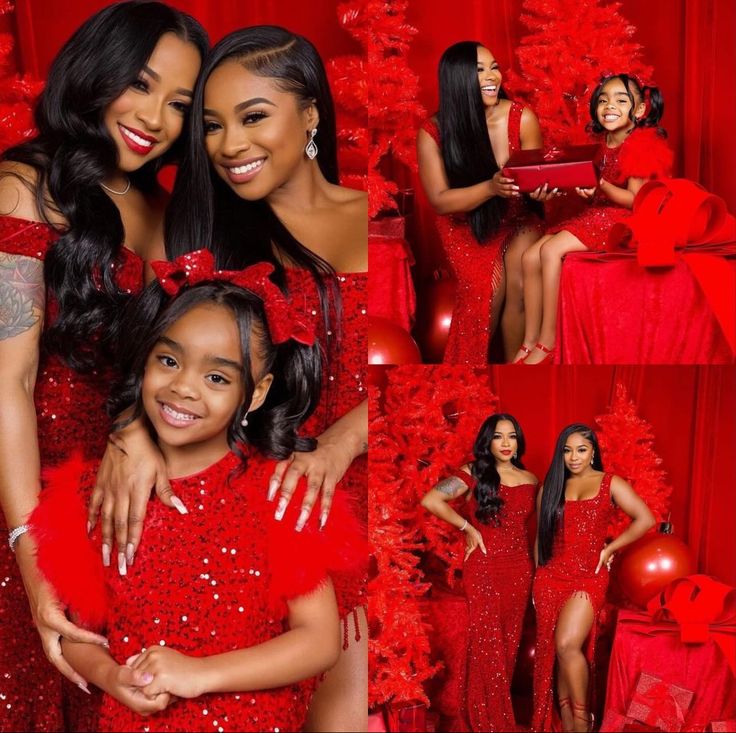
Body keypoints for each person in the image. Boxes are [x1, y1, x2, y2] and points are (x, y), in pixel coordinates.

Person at [89, 26, 368, 731]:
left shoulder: (381, 220)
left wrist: (342, 441)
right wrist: (132, 431)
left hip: (353, 490)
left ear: (310, 114)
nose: (229, 145)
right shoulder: (207, 237)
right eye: (210, 125)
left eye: (253, 117)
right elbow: (156, 352)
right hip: (258, 505)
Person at [27, 250, 365, 732]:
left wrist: (199, 674)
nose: (183, 387)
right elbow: (78, 630)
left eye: (216, 377)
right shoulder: (97, 494)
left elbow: (318, 641)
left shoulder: (277, 492)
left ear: (257, 392)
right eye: (168, 360)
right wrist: (110, 675)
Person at [0, 3, 207, 729]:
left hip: (127, 507)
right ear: (98, 72)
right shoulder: (26, 187)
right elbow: (8, 382)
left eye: (180, 103)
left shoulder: (171, 210)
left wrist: (141, 432)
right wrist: (30, 557)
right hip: (25, 498)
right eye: (141, 84)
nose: (155, 116)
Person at [518, 73, 673, 364]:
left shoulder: (639, 144)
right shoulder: (597, 144)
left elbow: (636, 200)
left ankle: (548, 341)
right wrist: (580, 189)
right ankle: (528, 341)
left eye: (620, 100)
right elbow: (589, 192)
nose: (609, 106)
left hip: (623, 219)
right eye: (603, 100)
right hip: (596, 212)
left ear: (639, 110)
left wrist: (600, 185)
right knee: (529, 256)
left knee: (551, 251)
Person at [417, 41, 554, 365]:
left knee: (520, 280)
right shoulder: (433, 132)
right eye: (480, 70)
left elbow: (533, 181)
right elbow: (440, 201)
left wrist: (541, 190)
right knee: (485, 296)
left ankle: (515, 365)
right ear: (458, 79)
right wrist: (491, 188)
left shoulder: (522, 118)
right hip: (466, 224)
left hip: (518, 217)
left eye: (494, 66)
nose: (493, 75)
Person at [532, 424, 655, 732]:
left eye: (581, 450)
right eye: (567, 450)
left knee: (567, 643)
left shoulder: (609, 483)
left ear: (593, 453)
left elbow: (646, 519)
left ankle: (584, 721)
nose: (574, 457)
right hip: (549, 578)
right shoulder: (551, 487)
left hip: (588, 576)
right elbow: (539, 538)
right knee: (556, 651)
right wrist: (538, 578)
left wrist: (610, 548)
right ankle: (569, 724)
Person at [421, 414, 537, 731]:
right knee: (486, 642)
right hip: (484, 566)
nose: (505, 443)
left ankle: (496, 714)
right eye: (498, 437)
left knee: (509, 642)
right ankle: (481, 721)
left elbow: (538, 532)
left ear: (518, 441)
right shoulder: (473, 473)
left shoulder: (531, 479)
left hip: (520, 571)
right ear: (488, 441)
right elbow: (431, 499)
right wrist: (467, 528)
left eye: (511, 436)